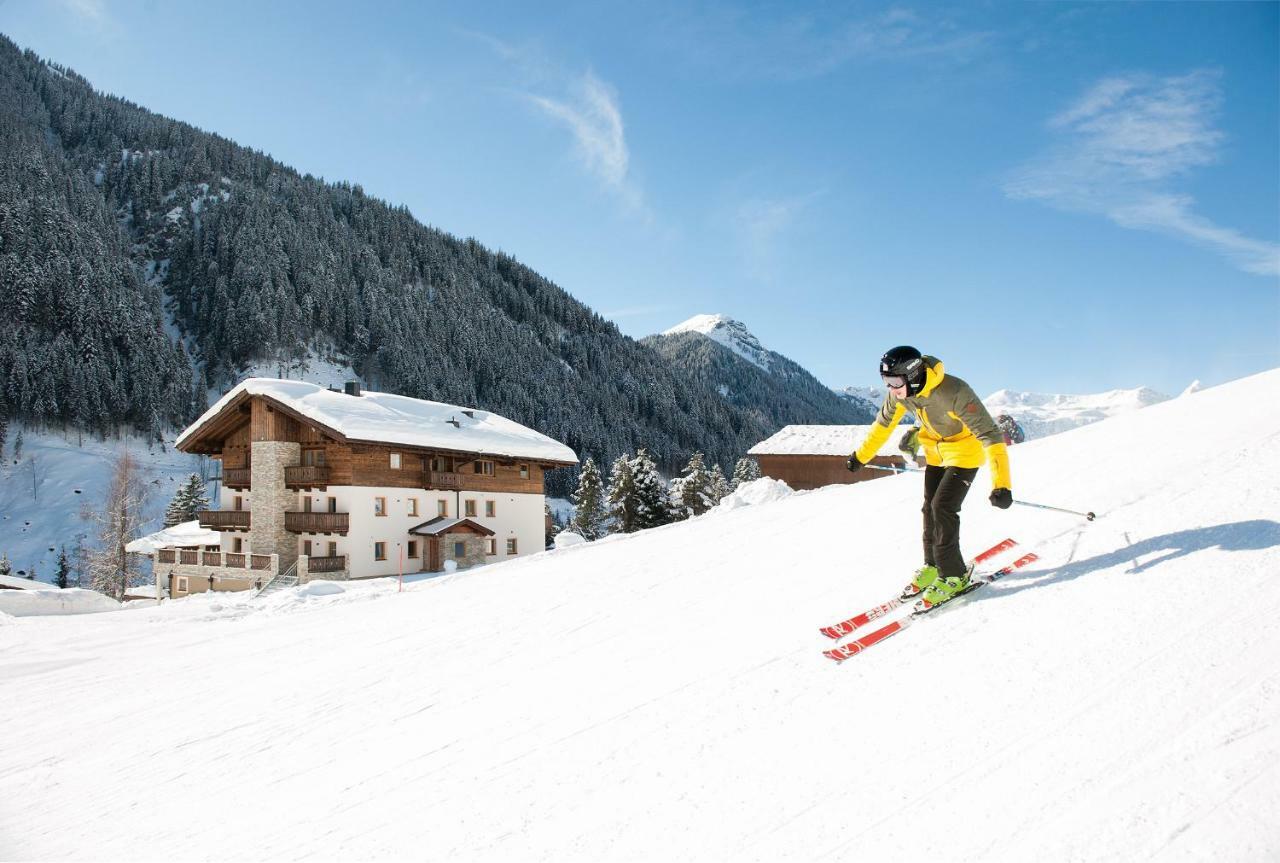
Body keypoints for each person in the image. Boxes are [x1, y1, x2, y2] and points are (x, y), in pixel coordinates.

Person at [846, 346, 1012, 608]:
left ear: (912, 375)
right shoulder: (902, 395)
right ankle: (933, 566)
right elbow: (882, 426)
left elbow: (990, 435)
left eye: (895, 382)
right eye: (886, 382)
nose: (891, 389)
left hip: (965, 454)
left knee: (943, 507)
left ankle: (955, 575)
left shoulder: (955, 391)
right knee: (928, 509)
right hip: (935, 454)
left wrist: (1002, 484)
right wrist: (861, 456)